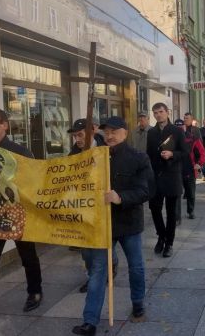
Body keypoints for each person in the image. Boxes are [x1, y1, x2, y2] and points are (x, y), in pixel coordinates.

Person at [72, 116, 152, 336]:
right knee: (97, 271)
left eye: (115, 131)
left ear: (125, 133)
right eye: (107, 132)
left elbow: (146, 191)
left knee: (136, 266)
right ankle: (90, 321)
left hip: (129, 223)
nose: (110, 136)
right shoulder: (94, 157)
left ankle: (138, 304)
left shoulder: (138, 157)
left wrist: (121, 197)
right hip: (101, 224)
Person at [0, 108, 43, 334]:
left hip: (17, 215)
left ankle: (35, 290)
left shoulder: (20, 152)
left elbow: (34, 182)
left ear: (4, 125)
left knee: (28, 255)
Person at [66, 118, 118, 294]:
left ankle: (108, 269)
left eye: (80, 135)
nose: (77, 139)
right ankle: (93, 275)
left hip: (104, 205)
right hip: (83, 207)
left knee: (105, 244)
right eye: (74, 136)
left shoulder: (107, 149)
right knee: (86, 250)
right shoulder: (73, 154)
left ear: (91, 133)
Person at [147, 103, 188, 258]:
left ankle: (169, 243)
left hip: (172, 176)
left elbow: (185, 152)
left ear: (167, 112)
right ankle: (161, 236)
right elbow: (149, 154)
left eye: (161, 112)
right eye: (155, 112)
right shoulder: (151, 132)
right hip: (155, 177)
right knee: (155, 209)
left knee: (171, 213)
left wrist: (172, 154)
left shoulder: (177, 131)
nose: (158, 115)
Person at [174, 119, 205, 220]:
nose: (179, 129)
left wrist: (199, 164)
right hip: (175, 170)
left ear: (184, 127)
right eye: (177, 127)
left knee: (190, 193)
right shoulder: (171, 138)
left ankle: (190, 211)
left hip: (190, 170)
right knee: (176, 194)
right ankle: (176, 216)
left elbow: (202, 152)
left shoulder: (192, 138)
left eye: (181, 127)